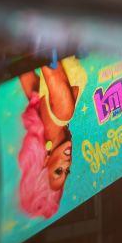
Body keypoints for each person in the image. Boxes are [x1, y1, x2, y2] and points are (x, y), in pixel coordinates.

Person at [16, 57, 85, 218]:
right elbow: (23, 65)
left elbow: (44, 53)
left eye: (58, 171)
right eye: (67, 171)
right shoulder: (48, 121)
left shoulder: (63, 113)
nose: (67, 164)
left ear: (45, 163)